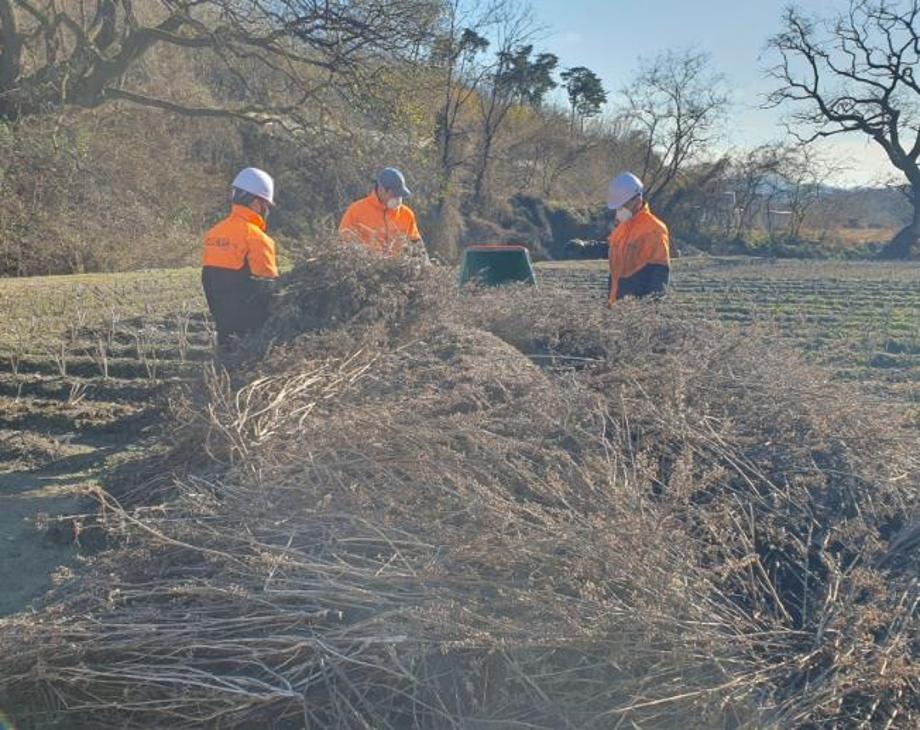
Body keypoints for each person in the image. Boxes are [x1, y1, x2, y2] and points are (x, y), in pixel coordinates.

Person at [201, 167, 279, 348]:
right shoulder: (258, 239)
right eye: (265, 205)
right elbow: (269, 289)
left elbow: (209, 281)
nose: (266, 210)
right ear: (255, 203)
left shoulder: (213, 234)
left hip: (224, 327)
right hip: (250, 334)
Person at [605, 172, 670, 304]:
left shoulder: (654, 230)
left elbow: (659, 273)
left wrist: (648, 310)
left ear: (637, 200)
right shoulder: (623, 226)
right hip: (617, 306)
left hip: (636, 311)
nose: (620, 210)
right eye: (618, 207)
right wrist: (586, 248)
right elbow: (610, 248)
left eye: (623, 205)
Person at [339, 168, 423, 256]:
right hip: (364, 267)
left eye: (400, 194)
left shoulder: (407, 214)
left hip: (397, 268)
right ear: (381, 189)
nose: (398, 198)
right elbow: (343, 243)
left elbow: (417, 248)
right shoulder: (356, 211)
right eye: (394, 194)